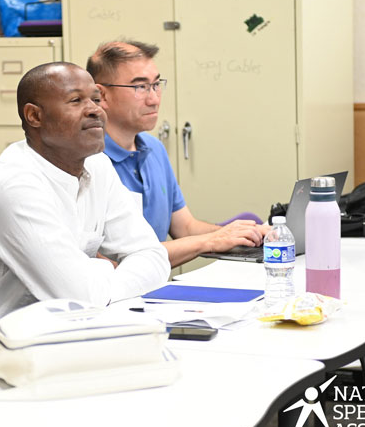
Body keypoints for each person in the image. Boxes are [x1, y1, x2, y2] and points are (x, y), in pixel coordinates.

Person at [0, 62, 170, 379]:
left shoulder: (98, 166)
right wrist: (107, 267)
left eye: (95, 99)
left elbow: (154, 258)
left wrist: (95, 280)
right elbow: (80, 297)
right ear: (34, 116)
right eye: (76, 101)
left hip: (50, 347)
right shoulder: (17, 186)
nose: (94, 110)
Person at [86, 40, 270, 268]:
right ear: (101, 95)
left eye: (156, 85)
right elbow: (117, 263)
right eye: (140, 87)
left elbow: (185, 228)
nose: (153, 99)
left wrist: (243, 234)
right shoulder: (87, 162)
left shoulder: (154, 149)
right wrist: (211, 240)